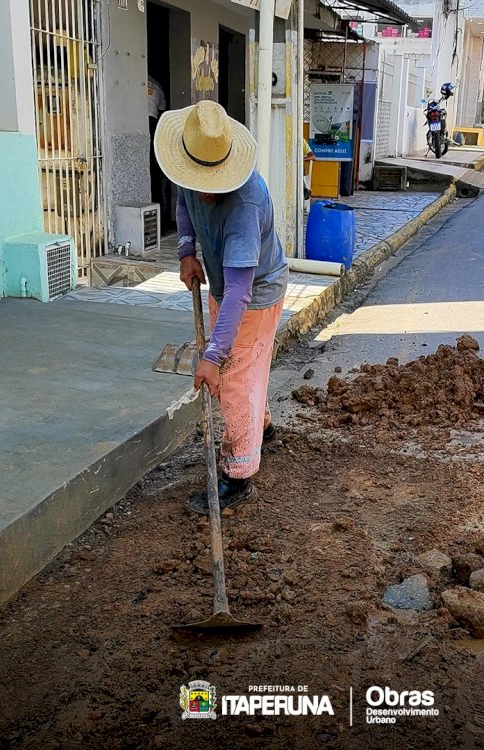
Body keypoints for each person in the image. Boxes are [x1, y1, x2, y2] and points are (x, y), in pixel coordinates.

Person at [154, 100, 288, 513]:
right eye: (199, 179)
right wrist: (186, 250)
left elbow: (239, 294)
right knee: (247, 369)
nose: (205, 189)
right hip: (221, 286)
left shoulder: (245, 205)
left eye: (213, 181)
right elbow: (184, 203)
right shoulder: (189, 167)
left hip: (255, 293)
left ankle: (239, 475)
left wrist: (212, 356)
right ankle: (259, 429)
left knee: (231, 376)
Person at [147, 76, 167, 207]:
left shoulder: (132, 79)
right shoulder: (156, 84)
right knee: (154, 169)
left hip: (146, 122)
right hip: (153, 122)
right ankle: (159, 209)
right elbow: (162, 109)